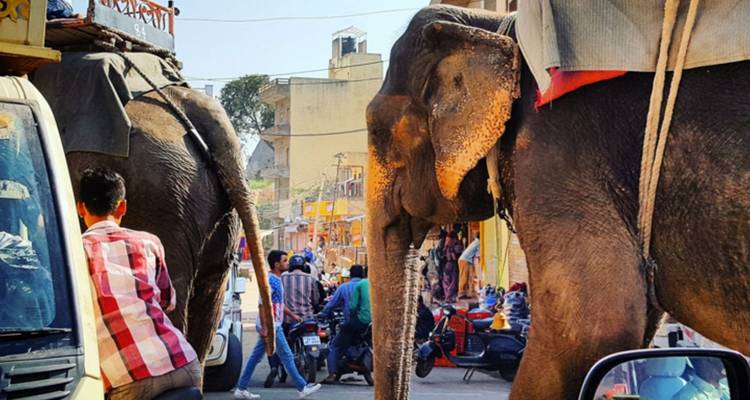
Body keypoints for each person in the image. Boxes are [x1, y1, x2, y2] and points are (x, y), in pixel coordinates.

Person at [76, 168, 200, 400]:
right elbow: (167, 302)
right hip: (183, 362)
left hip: (127, 377)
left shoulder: (74, 251)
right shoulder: (148, 242)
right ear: (122, 206)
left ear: (80, 208)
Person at [234, 250, 321, 399]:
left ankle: (241, 388)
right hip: (272, 324)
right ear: (276, 264)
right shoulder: (270, 281)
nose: (287, 263)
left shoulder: (277, 279)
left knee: (256, 357)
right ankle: (302, 387)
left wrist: (293, 316)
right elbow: (262, 305)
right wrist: (266, 327)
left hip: (273, 324)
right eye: (285, 260)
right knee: (286, 355)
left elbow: (279, 304)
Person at [320, 265, 367, 384]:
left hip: (352, 323)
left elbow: (333, 304)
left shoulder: (344, 288)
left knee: (334, 346)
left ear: (350, 275)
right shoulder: (369, 287)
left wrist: (323, 314)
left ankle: (332, 374)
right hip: (368, 324)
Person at [442, 231, 463, 303]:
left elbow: (443, 254)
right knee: (453, 281)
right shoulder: (456, 245)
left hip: (447, 264)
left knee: (446, 281)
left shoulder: (446, 245)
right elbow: (457, 256)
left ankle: (447, 297)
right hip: (453, 264)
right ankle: (449, 297)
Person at [458, 234, 480, 299]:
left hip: (464, 260)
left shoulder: (475, 241)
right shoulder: (479, 243)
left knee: (467, 277)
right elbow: (478, 255)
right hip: (465, 260)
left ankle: (465, 293)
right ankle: (461, 293)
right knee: (464, 277)